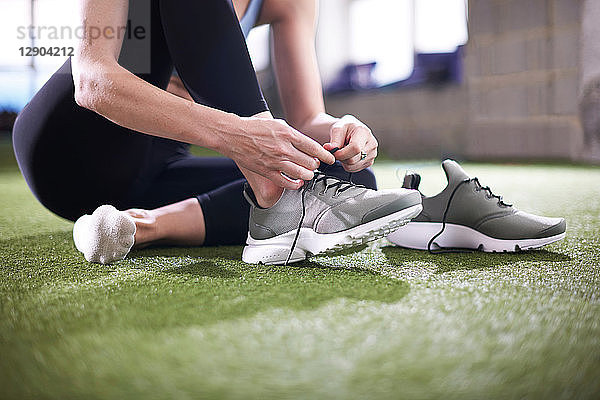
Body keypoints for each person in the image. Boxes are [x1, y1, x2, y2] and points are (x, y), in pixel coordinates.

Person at [12, 0, 422, 265]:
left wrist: (339, 128)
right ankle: (273, 195)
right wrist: (242, 135)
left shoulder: (291, 4)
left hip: (155, 167)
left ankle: (139, 227)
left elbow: (307, 119)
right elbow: (93, 81)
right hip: (70, 147)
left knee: (346, 176)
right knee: (290, 181)